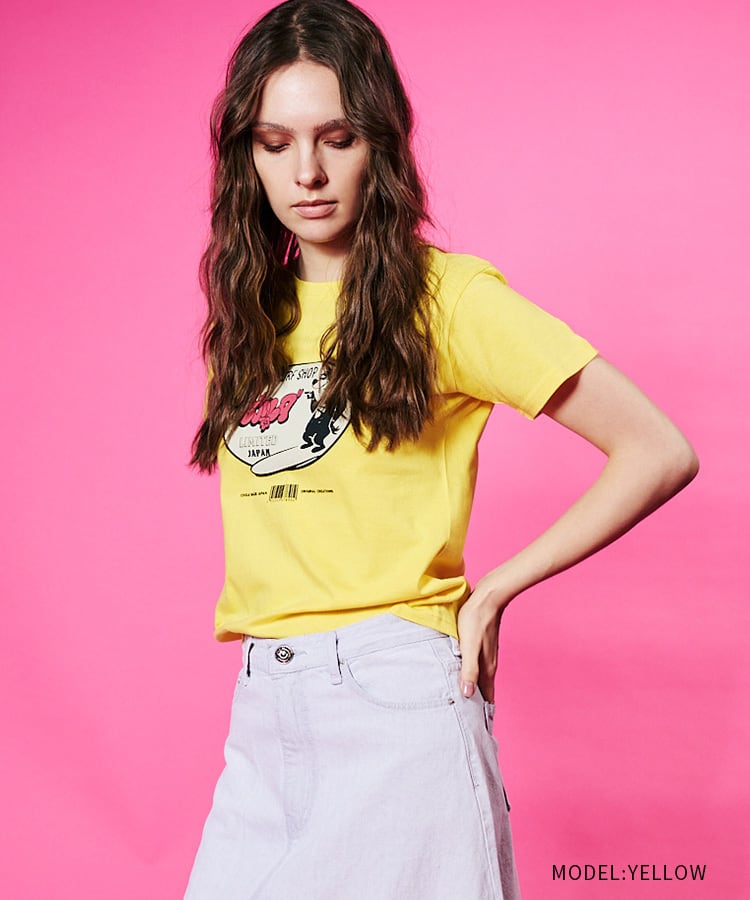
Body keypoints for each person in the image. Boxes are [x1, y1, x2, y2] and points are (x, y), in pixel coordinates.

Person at [184, 1, 699, 897]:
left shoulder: (446, 300)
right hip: (263, 714)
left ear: (379, 141)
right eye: (274, 143)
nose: (306, 173)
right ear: (246, 156)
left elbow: (657, 449)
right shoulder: (251, 316)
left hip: (396, 708)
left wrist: (494, 590)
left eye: (337, 137)